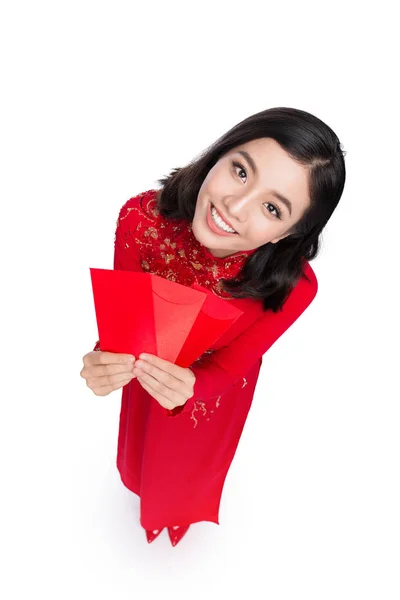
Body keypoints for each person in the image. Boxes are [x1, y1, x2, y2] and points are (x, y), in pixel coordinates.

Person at [80, 106, 346, 547]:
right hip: (148, 379)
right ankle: (138, 491)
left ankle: (179, 510)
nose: (233, 207)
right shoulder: (140, 222)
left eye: (271, 207)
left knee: (190, 463)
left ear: (289, 234)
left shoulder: (293, 287)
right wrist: (104, 361)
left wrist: (192, 388)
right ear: (219, 154)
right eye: (241, 172)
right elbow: (123, 327)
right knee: (139, 450)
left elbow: (233, 366)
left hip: (214, 398)